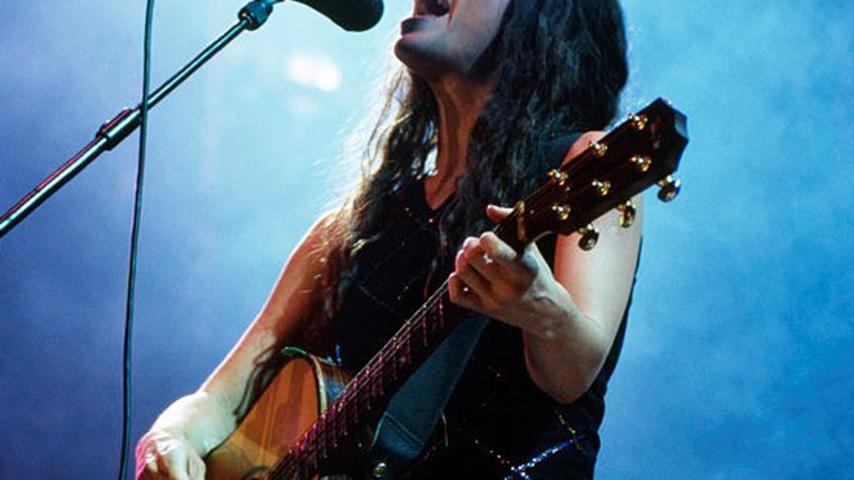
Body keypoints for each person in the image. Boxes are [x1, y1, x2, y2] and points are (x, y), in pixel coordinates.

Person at [136, 0, 637, 478]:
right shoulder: (353, 228)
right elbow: (219, 401)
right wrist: (169, 437)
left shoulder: (586, 166)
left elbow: (571, 377)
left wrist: (540, 307)